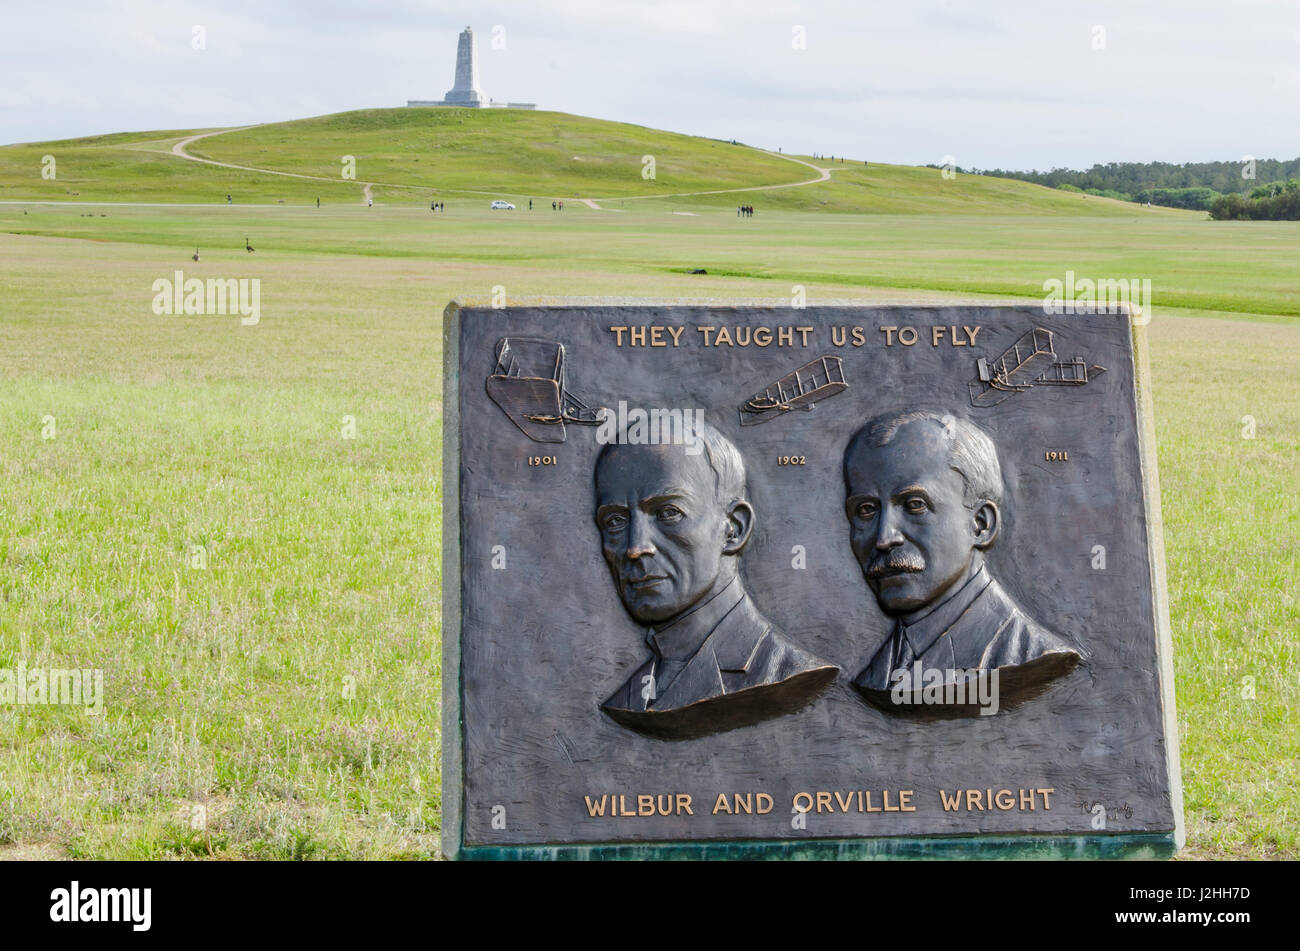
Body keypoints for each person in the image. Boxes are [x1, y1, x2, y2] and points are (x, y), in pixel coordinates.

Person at [595, 420, 838, 739]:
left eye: (669, 513)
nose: (636, 546)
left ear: (733, 528)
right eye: (615, 521)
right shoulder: (629, 699)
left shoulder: (782, 673)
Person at [842, 411, 1081, 715]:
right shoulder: (876, 676)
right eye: (865, 510)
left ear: (980, 524)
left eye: (915, 505)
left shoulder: (1027, 655)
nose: (884, 538)